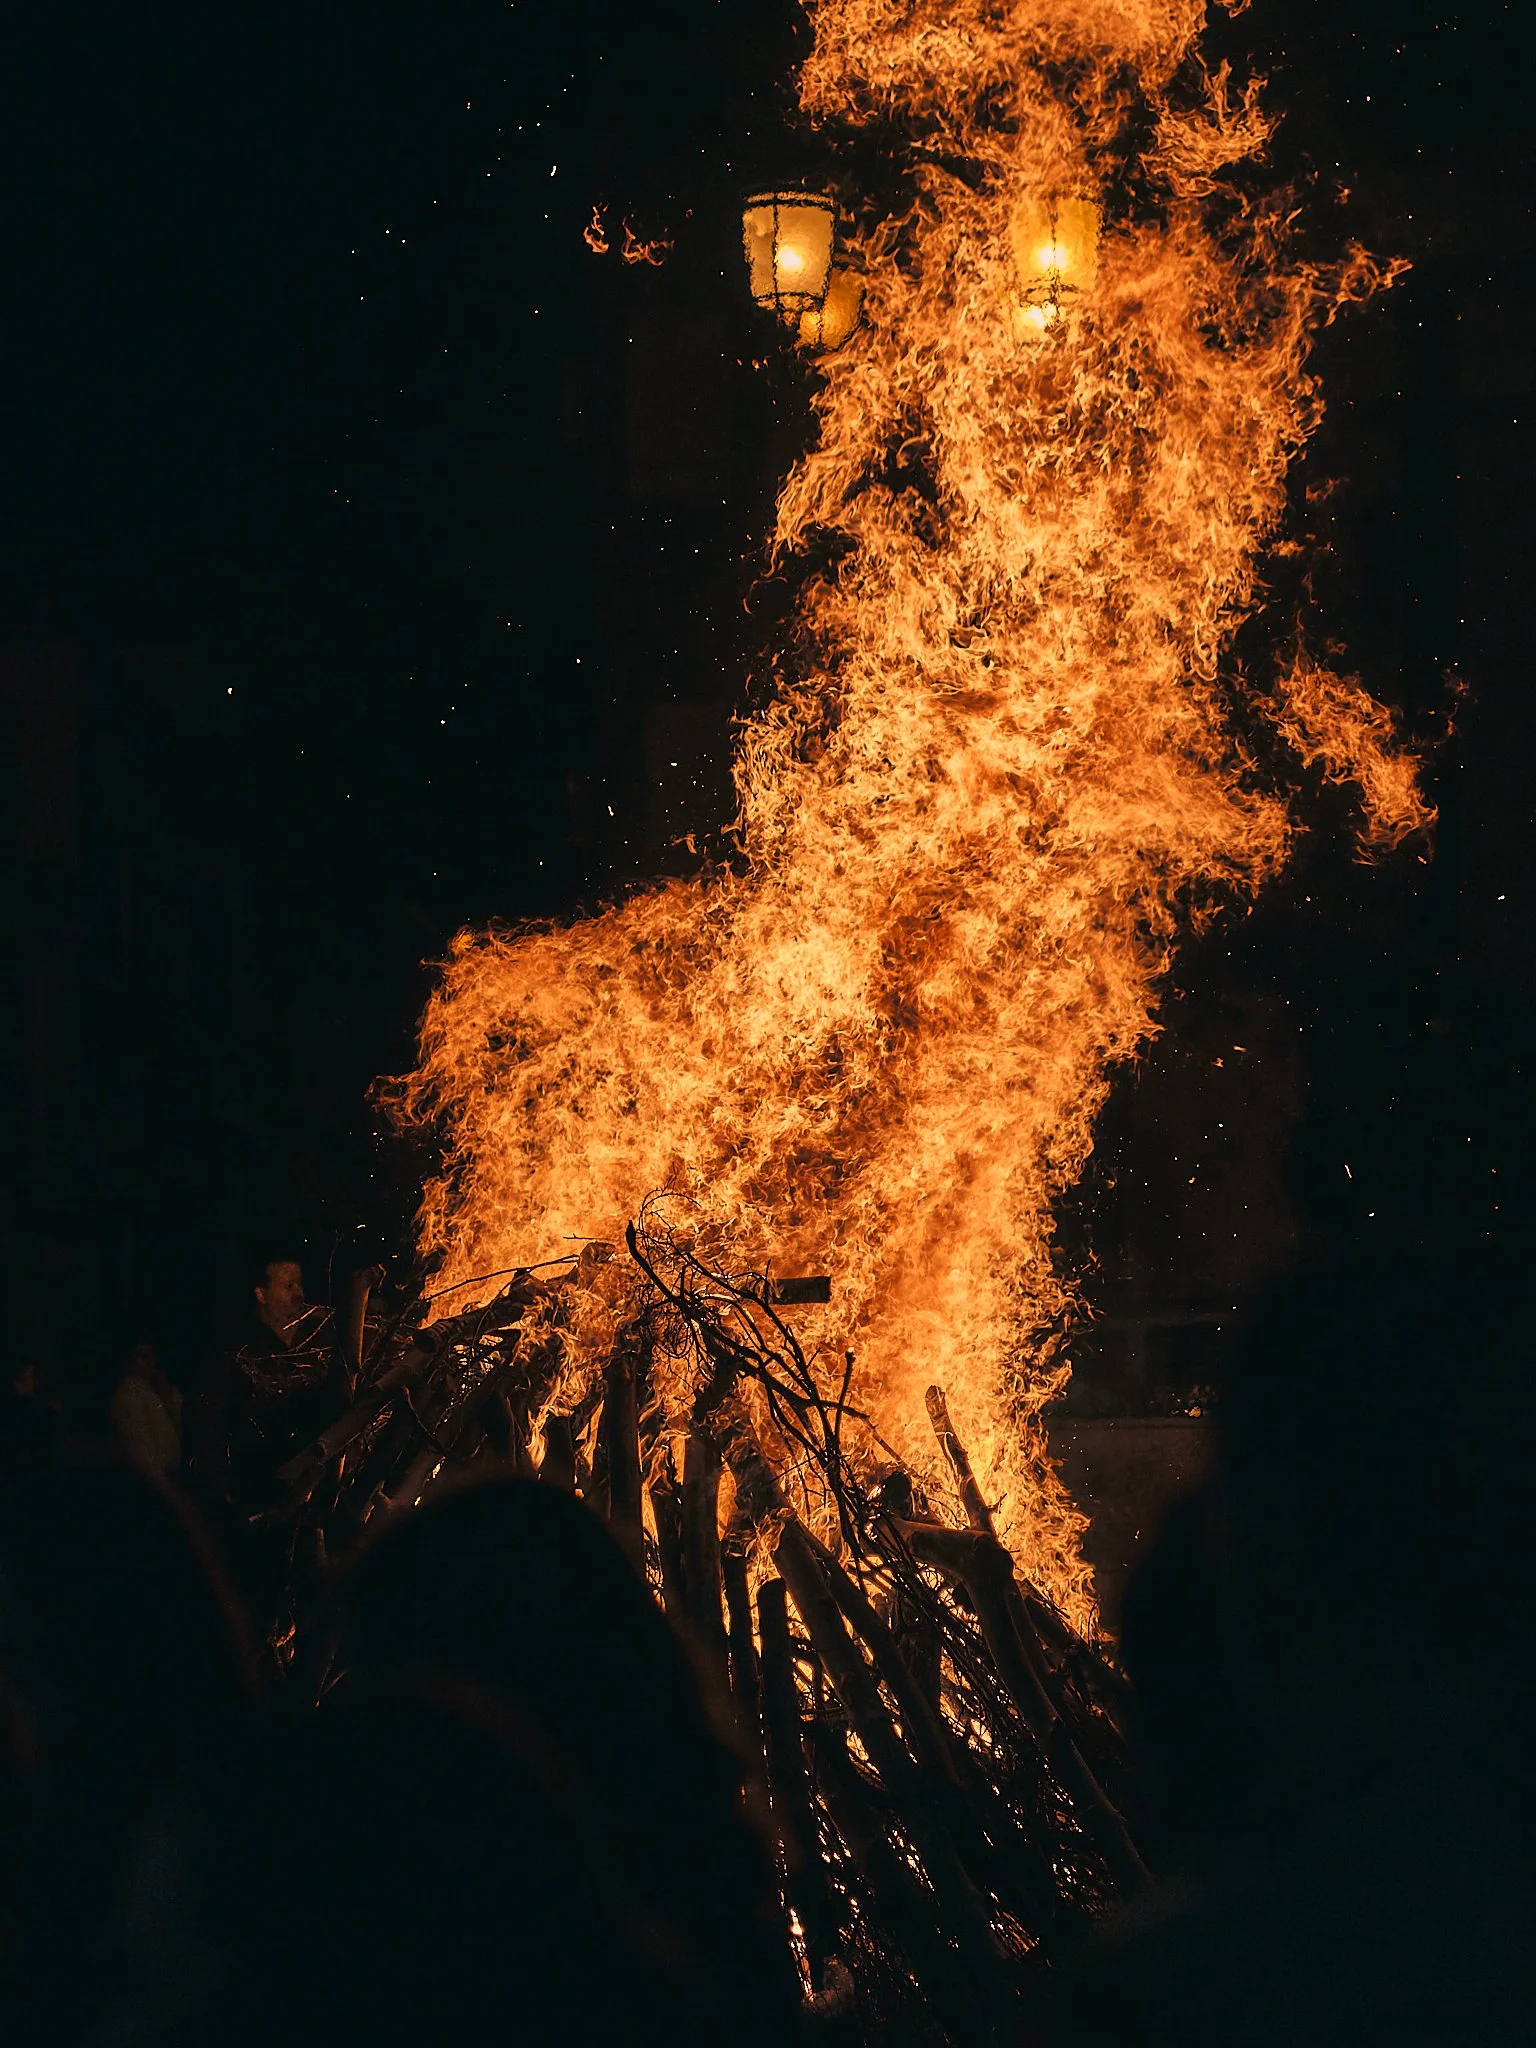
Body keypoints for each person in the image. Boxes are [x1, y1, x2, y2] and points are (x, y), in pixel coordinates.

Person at [110, 1337, 183, 1484]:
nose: (150, 1362)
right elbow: (144, 1457)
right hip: (155, 1484)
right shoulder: (131, 1390)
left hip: (169, 1477)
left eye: (151, 1356)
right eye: (142, 1356)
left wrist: (168, 1394)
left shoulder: (153, 1387)